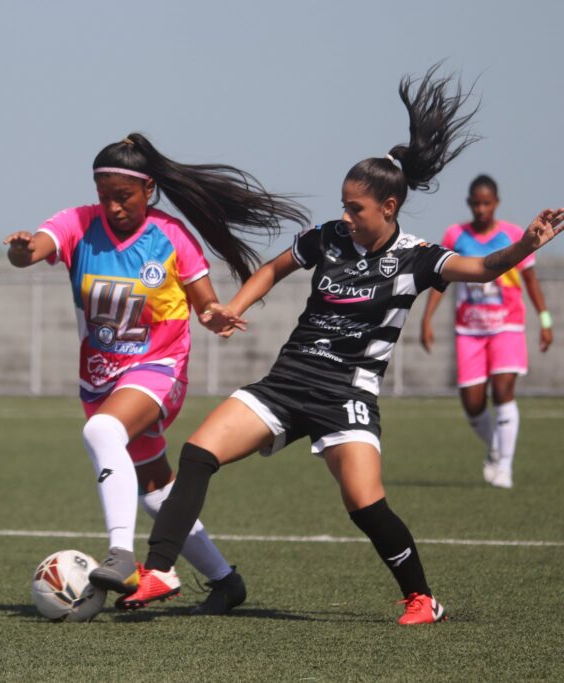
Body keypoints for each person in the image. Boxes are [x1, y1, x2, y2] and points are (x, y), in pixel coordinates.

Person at [118, 67, 564, 625]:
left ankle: (422, 599)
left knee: (365, 505)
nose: (346, 217)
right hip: (286, 382)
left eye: (357, 209)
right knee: (198, 453)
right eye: (344, 206)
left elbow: (482, 268)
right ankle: (160, 570)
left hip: (346, 394)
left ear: (389, 207)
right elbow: (275, 268)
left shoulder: (418, 257)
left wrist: (524, 246)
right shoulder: (329, 238)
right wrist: (234, 306)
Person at [4, 133, 310, 614]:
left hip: (159, 368)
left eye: (123, 196)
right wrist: (23, 250)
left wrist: (214, 316)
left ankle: (121, 555)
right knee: (156, 491)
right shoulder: (79, 223)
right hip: (100, 378)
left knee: (101, 431)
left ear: (149, 190)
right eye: (105, 195)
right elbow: (34, 249)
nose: (113, 206)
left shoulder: (172, 236)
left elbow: (205, 304)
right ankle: (225, 581)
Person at [419, 175, 553, 489]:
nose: (481, 209)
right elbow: (441, 279)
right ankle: (496, 446)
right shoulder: (455, 235)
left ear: (496, 203)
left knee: (504, 390)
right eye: (476, 203)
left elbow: (530, 281)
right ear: (470, 203)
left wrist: (545, 321)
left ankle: (504, 466)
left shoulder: (514, 235)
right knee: (473, 402)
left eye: (486, 203)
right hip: (469, 330)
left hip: (507, 326)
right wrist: (426, 319)